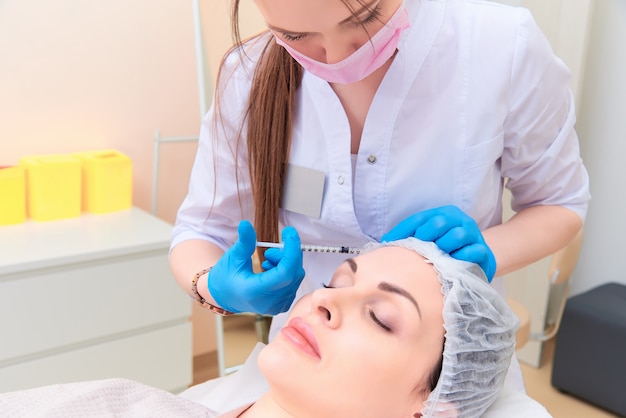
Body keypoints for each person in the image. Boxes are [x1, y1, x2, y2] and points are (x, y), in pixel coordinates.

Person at [169, 0, 590, 389]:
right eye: (295, 37)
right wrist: (214, 287)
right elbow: (199, 231)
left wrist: (488, 250)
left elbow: (560, 203)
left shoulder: (498, 46)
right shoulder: (246, 76)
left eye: (364, 18)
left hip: (439, 371)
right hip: (307, 355)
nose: (338, 57)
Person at [0, 238, 528, 418]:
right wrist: (212, 283)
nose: (325, 302)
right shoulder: (125, 402)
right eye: (339, 280)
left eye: (381, 317)